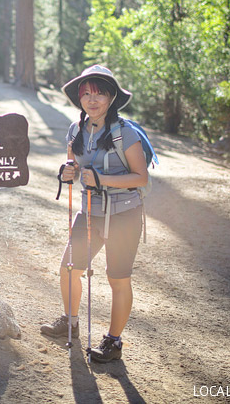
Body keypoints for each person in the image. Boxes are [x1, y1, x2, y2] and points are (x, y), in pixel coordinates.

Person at [40, 64, 148, 363]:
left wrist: (102, 179)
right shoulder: (76, 129)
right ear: (80, 99)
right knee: (69, 268)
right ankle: (70, 320)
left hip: (124, 215)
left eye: (99, 93)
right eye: (86, 93)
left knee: (118, 278)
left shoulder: (125, 133)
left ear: (112, 97)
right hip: (90, 212)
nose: (92, 99)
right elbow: (73, 169)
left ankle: (113, 341)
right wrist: (67, 172)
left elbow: (141, 178)